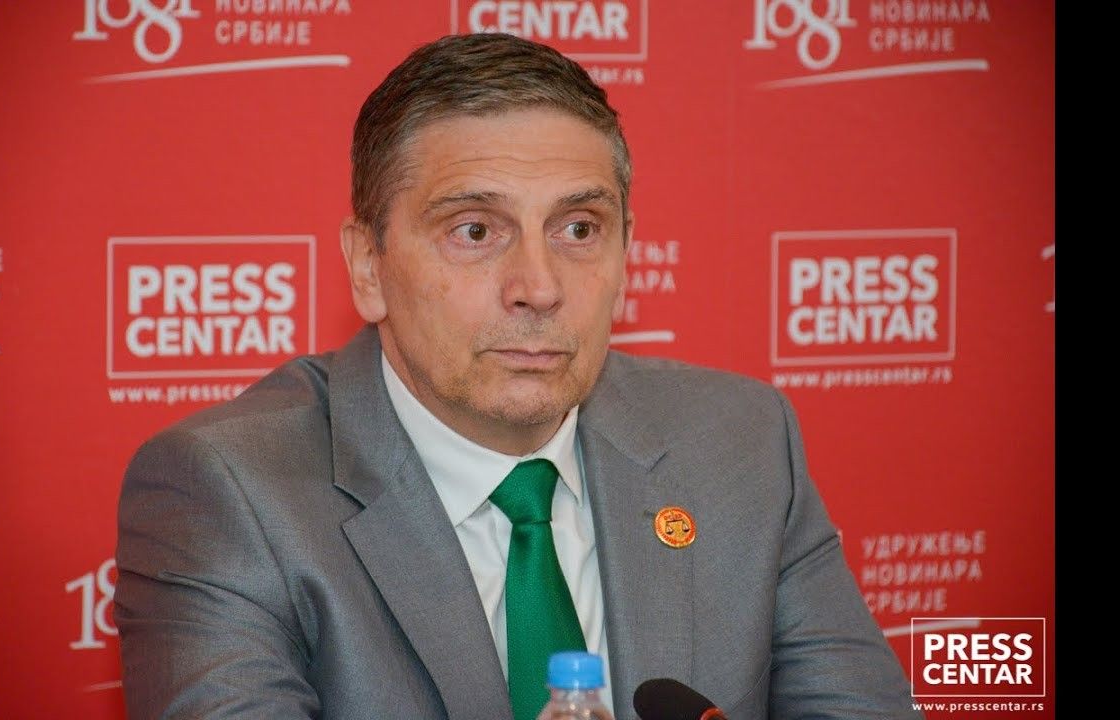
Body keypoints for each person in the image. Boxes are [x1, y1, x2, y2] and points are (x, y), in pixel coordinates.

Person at [114, 32, 921, 720]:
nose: (539, 286)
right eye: (475, 230)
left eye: (579, 228)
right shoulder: (232, 493)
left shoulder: (740, 442)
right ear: (368, 267)